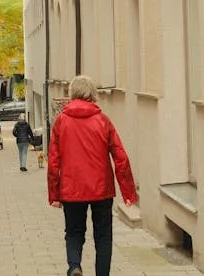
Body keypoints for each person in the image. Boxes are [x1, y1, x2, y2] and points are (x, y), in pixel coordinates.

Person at [47, 75, 138, 276]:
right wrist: (128, 193)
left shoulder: (62, 121)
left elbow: (53, 160)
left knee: (73, 232)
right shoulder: (102, 120)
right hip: (101, 189)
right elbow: (120, 156)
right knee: (103, 236)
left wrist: (54, 194)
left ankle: (74, 266)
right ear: (92, 94)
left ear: (72, 93)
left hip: (71, 189)